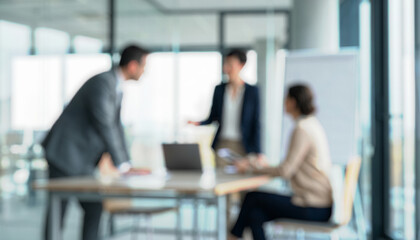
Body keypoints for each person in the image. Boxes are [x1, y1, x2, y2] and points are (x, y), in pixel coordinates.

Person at [42, 45, 149, 240]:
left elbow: (116, 127)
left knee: (94, 206)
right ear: (133, 65)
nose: (145, 71)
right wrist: (122, 164)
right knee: (58, 213)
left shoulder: (115, 87)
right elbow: (105, 124)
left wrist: (126, 163)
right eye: (144, 66)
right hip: (65, 154)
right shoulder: (102, 83)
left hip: (81, 159)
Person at [229, 84, 333, 240]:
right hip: (319, 204)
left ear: (293, 102)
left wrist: (255, 167)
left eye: (286, 98)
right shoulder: (312, 124)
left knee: (253, 197)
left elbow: (286, 171)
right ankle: (233, 236)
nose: (284, 102)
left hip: (312, 206)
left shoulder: (302, 129)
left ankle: (232, 236)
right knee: (255, 215)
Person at [189, 49, 262, 167]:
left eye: (230, 64)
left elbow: (256, 122)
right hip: (222, 143)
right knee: (221, 178)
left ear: (241, 65)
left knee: (241, 181)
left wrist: (258, 151)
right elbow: (213, 116)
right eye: (225, 64)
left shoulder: (252, 92)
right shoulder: (219, 90)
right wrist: (198, 123)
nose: (226, 68)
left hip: (244, 145)